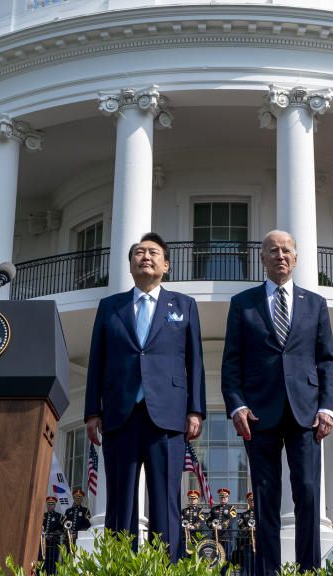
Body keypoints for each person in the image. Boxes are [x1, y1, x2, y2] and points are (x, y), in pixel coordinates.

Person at [221, 229, 333, 576]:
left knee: (306, 492)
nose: (280, 256)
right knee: (266, 497)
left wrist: (327, 408)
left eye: (286, 250)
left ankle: (308, 570)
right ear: (263, 259)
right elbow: (231, 362)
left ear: (296, 257)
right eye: (272, 250)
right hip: (259, 415)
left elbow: (326, 361)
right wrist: (237, 405)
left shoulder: (314, 304)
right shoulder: (243, 303)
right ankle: (268, 571)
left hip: (306, 415)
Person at [84, 232, 207, 560]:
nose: (146, 257)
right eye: (139, 253)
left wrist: (195, 410)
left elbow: (194, 361)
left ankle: (165, 566)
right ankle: (121, 565)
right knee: (119, 502)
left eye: (153, 253)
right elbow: (97, 359)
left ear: (166, 265)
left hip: (167, 417)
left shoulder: (183, 306)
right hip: (119, 414)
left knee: (165, 501)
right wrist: (91, 411)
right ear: (130, 264)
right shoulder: (110, 307)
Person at [40, 496, 63, 574]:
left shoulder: (58, 516)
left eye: (52, 504)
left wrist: (54, 534)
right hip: (43, 544)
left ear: (55, 505)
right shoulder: (43, 515)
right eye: (48, 504)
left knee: (52, 563)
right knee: (43, 562)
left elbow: (62, 529)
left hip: (54, 544)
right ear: (47, 505)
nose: (50, 506)